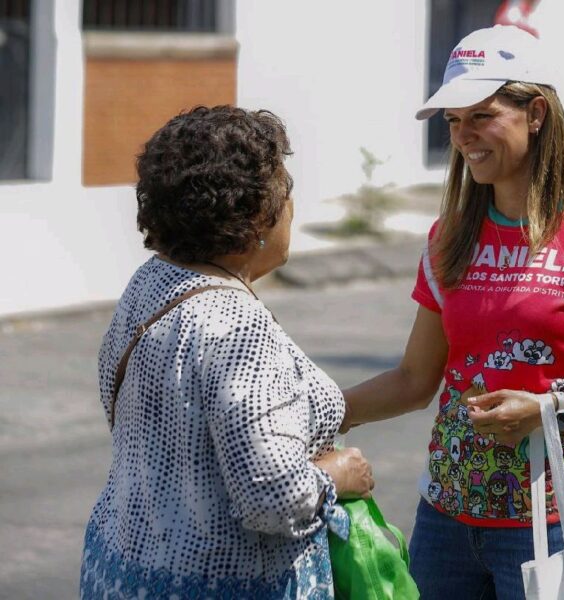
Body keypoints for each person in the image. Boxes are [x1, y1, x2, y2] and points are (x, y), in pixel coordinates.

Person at [340, 25, 564, 599]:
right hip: (445, 518)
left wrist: (551, 408)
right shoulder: (449, 237)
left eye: (481, 115)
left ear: (536, 112)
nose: (464, 135)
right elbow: (415, 379)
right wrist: (315, 416)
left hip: (557, 520)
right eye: (452, 121)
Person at [79, 106, 374, 599]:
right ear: (258, 214)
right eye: (287, 187)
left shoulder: (151, 283)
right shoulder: (237, 325)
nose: (293, 206)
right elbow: (274, 499)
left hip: (122, 566)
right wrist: (335, 477)